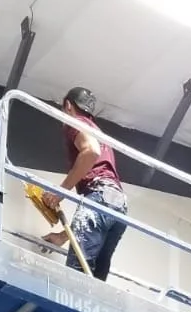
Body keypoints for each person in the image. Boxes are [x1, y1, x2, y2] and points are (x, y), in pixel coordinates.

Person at [42, 87, 128, 281]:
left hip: (99, 195)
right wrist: (63, 237)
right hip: (118, 204)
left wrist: (59, 193)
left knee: (76, 278)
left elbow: (90, 151)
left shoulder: (75, 122)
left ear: (68, 105)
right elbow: (97, 215)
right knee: (95, 278)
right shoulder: (96, 130)